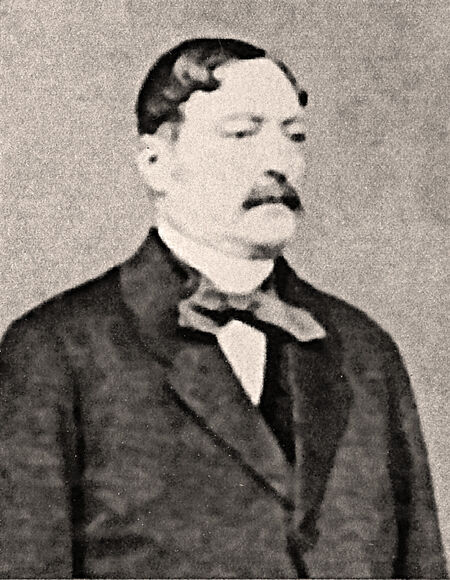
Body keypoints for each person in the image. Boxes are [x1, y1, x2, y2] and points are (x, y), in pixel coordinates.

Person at [0, 38, 446, 579]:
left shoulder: (364, 352)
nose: (279, 162)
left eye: (294, 136)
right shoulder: (54, 352)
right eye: (242, 133)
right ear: (156, 163)